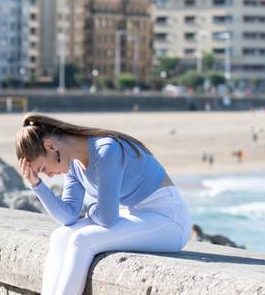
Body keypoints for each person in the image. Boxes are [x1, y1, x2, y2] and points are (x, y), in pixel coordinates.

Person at [15, 113, 190, 295]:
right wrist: (36, 185)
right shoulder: (74, 166)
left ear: (50, 146)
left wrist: (92, 211)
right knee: (59, 236)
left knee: (81, 241)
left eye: (43, 169)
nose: (49, 176)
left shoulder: (105, 149)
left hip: (169, 219)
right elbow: (68, 217)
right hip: (135, 214)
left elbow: (107, 218)